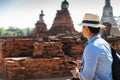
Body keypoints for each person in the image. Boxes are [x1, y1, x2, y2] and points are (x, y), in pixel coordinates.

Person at [71, 13, 113, 80]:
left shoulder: (92, 47)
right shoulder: (104, 43)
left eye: (83, 27)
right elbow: (101, 65)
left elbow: (87, 77)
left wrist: (76, 73)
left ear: (86, 28)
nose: (82, 29)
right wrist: (84, 64)